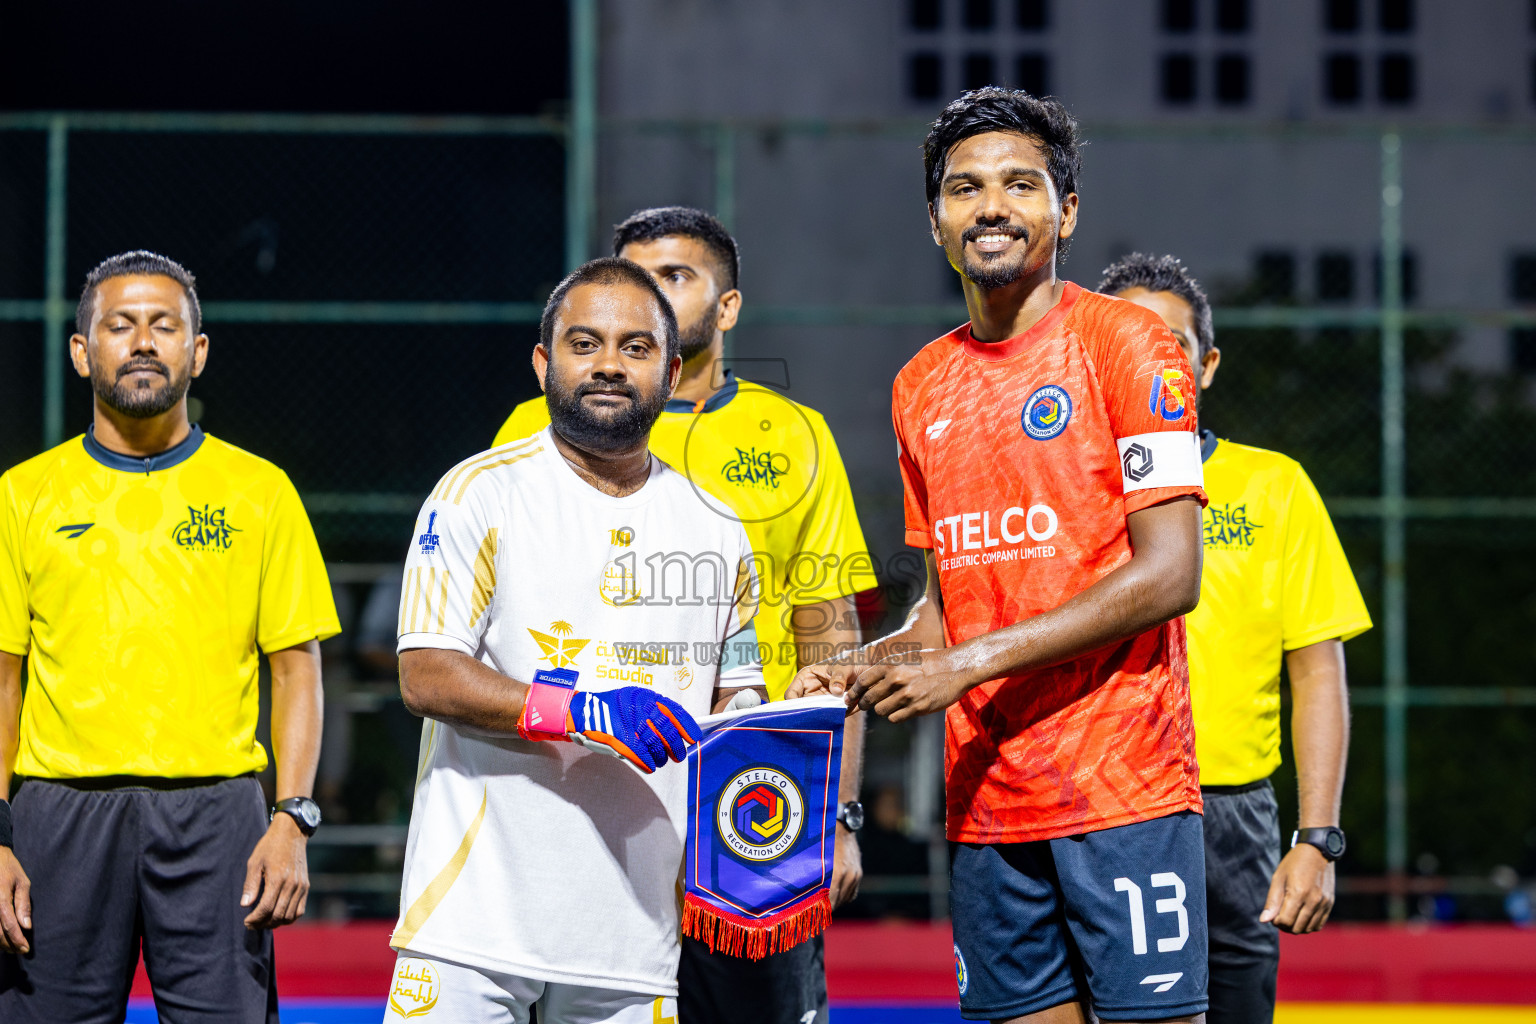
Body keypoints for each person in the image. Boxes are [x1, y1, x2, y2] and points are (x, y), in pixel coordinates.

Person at [792, 88, 1210, 1023]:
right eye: (964, 187)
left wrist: (965, 665)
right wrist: (867, 668)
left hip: (1123, 790)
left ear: (1065, 213)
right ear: (936, 219)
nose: (991, 206)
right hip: (987, 805)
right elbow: (947, 607)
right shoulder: (918, 386)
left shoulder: (1131, 344)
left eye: (1021, 185)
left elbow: (1171, 573)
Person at [493, 207, 874, 1024]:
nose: (648, 297)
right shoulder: (534, 428)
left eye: (675, 277)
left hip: (752, 803)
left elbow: (829, 628)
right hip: (585, 793)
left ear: (729, 307)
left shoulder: (797, 435)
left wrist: (839, 813)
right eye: (632, 278)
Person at [384, 257, 765, 1024]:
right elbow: (425, 673)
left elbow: (737, 690)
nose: (608, 366)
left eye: (635, 347)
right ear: (543, 362)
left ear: (672, 368)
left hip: (637, 934)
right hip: (473, 923)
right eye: (584, 343)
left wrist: (784, 721)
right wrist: (581, 710)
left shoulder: (719, 527)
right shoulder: (477, 494)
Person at [0, 251, 339, 1022]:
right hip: (58, 817)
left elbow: (296, 670)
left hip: (219, 818)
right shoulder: (22, 495)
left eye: (165, 325)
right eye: (120, 326)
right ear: (84, 352)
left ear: (198, 350)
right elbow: (3, 680)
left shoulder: (260, 491)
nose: (144, 342)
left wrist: (292, 818)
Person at [1101, 253, 1371, 1024]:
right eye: (1124, 343)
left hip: (1232, 819)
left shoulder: (1273, 485)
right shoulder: (1063, 494)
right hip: (1097, 811)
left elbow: (1318, 673)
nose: (1149, 361)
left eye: (1171, 345)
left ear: (1206, 365)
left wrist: (1317, 839)